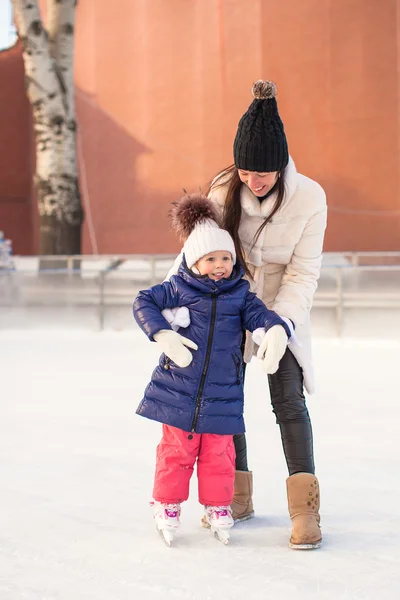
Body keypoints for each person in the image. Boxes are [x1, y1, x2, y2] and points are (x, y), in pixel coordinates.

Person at [166, 80, 327, 549]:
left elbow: (304, 272)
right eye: (246, 170)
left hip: (283, 303)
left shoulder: (310, 199)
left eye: (264, 171)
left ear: (282, 164)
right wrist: (167, 317)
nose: (254, 180)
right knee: (224, 398)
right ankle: (235, 493)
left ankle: (305, 506)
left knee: (288, 399)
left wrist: (281, 325)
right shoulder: (223, 192)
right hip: (228, 303)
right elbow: (194, 256)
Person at [132, 194, 292, 545]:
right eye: (210, 259)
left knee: (220, 453)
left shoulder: (241, 294)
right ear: (194, 261)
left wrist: (277, 329)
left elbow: (262, 317)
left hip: (224, 391)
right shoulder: (178, 288)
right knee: (177, 452)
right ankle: (167, 503)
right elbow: (143, 301)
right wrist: (161, 333)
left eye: (225, 258)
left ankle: (219, 505)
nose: (219, 265)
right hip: (178, 388)